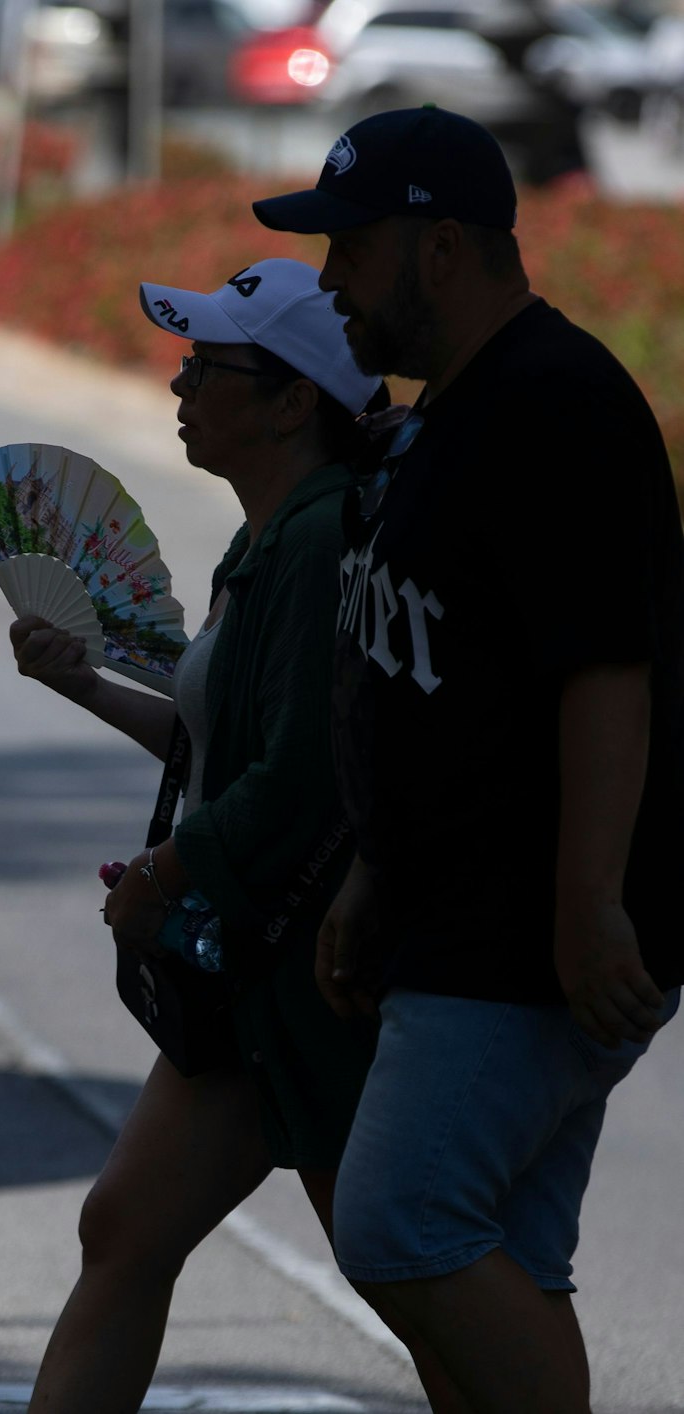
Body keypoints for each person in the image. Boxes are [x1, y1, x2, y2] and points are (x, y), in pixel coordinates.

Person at [254, 107, 684, 1412]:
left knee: (396, 1221)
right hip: (455, 909)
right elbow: (432, 690)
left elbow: (605, 671)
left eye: (349, 249)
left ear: (438, 248)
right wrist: (375, 873)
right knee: (501, 1252)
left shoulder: (556, 405)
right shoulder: (453, 415)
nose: (330, 281)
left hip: (526, 925)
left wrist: (585, 900)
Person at [10, 259, 427, 1413]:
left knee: (416, 1277)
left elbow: (300, 778)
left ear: (292, 401)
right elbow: (226, 753)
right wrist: (84, 683)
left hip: (309, 976)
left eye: (209, 364)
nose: (181, 382)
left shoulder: (310, 545)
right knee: (124, 1231)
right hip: (254, 974)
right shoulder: (266, 540)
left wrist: (161, 871)